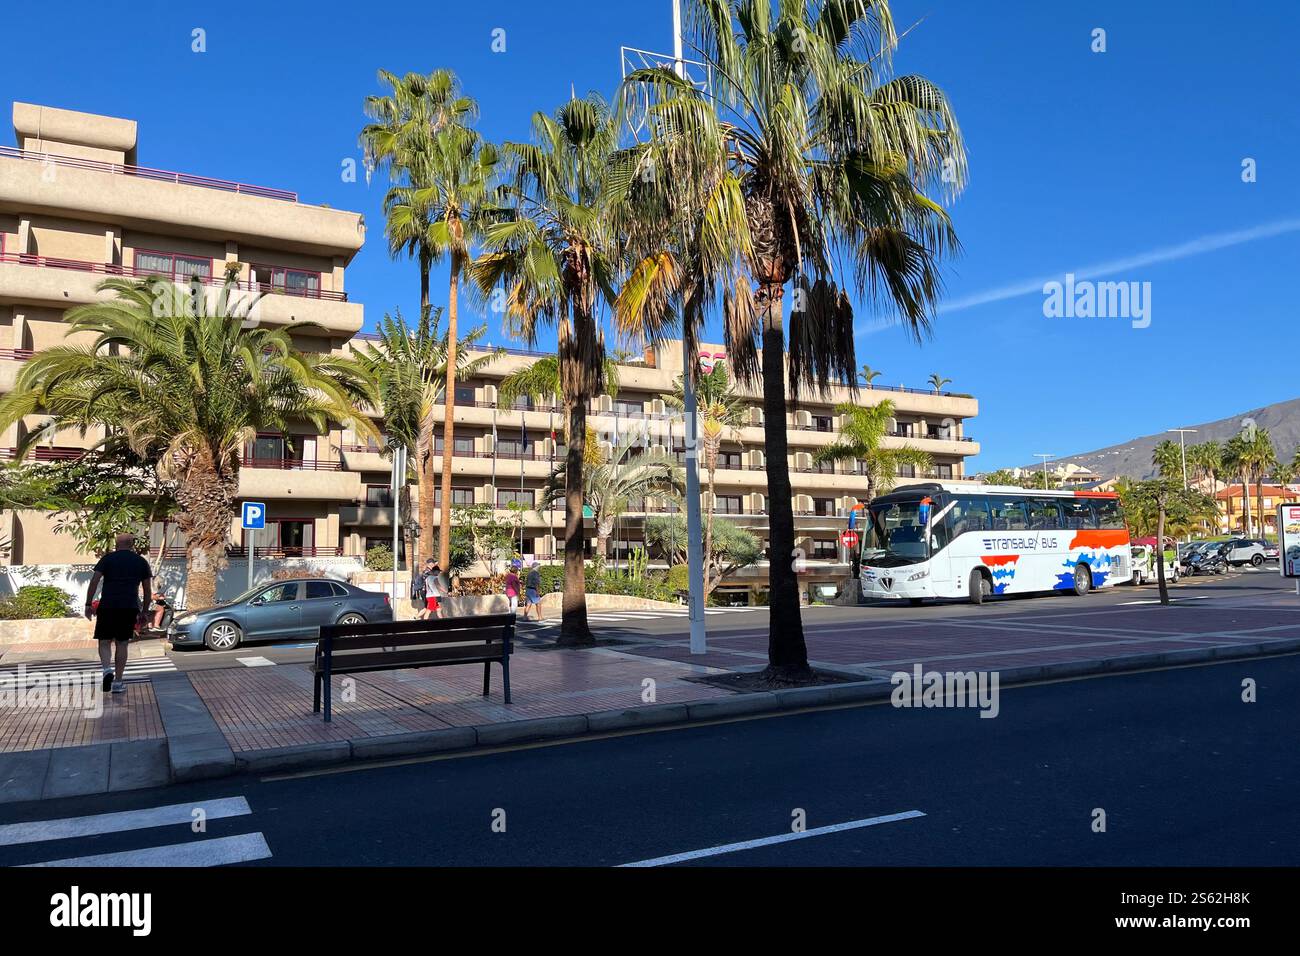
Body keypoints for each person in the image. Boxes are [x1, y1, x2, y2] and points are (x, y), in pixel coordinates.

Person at [84, 533, 153, 694]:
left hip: (107, 606)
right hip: (128, 607)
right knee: (122, 643)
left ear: (116, 544)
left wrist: (88, 603)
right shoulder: (140, 562)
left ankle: (107, 669)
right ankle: (118, 682)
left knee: (104, 641)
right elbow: (147, 590)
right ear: (132, 544)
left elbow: (94, 581)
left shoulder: (107, 559)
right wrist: (144, 611)